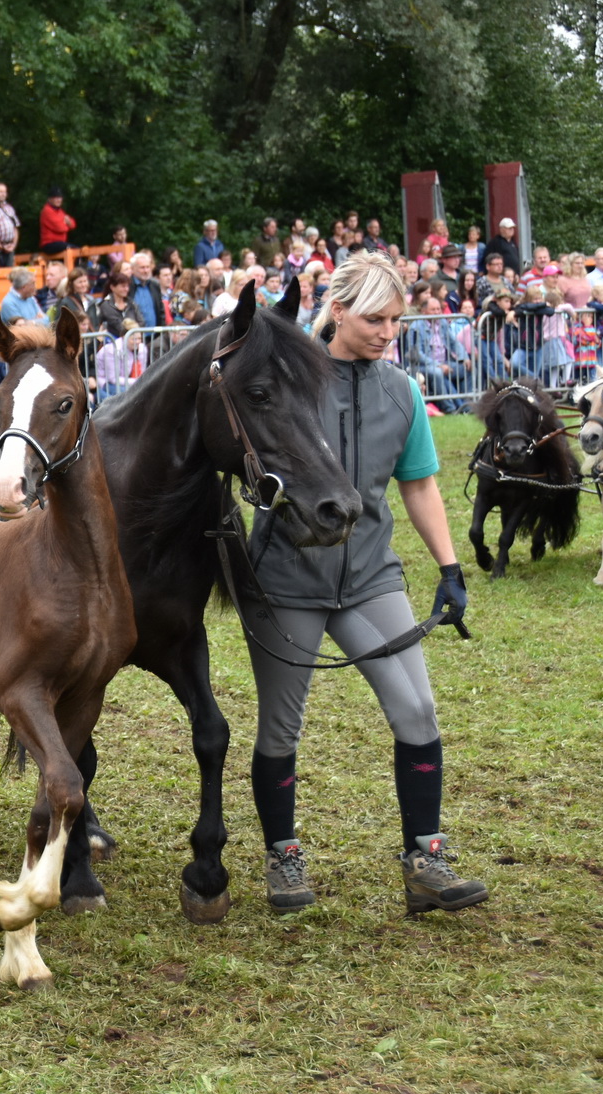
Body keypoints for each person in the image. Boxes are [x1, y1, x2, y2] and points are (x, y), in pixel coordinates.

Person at [243, 251, 484, 916]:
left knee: (419, 712)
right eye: (374, 318)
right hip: (289, 578)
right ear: (338, 308)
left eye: (397, 321)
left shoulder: (402, 392)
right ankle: (283, 856)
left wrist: (449, 567)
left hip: (373, 574)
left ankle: (425, 862)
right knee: (281, 727)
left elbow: (420, 484)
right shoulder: (285, 380)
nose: (386, 332)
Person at [38, 187, 75, 255]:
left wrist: (67, 223)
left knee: (77, 250)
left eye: (60, 198)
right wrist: (67, 224)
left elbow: (73, 225)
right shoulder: (47, 211)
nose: (59, 200)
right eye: (56, 198)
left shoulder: (60, 211)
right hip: (49, 244)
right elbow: (60, 228)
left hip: (59, 243)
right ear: (49, 199)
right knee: (73, 250)